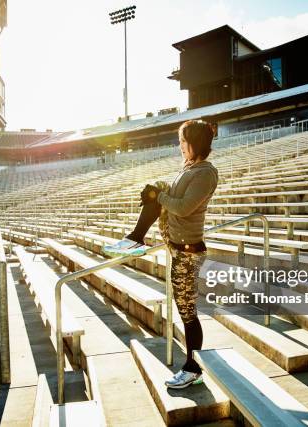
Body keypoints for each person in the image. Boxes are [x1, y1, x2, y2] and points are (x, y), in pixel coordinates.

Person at [104, 119, 218, 389]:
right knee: (185, 311)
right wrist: (157, 190)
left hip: (188, 253)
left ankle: (192, 369)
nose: (180, 147)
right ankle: (135, 237)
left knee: (187, 313)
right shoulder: (190, 169)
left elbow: (184, 207)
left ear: (196, 143)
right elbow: (173, 195)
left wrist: (160, 197)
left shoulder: (205, 172)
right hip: (178, 248)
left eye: (184, 142)